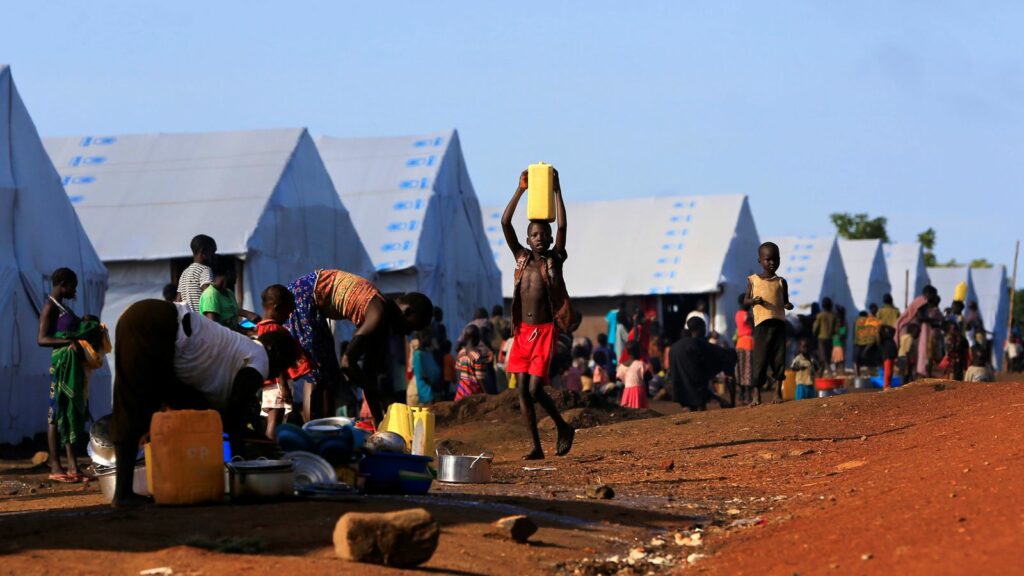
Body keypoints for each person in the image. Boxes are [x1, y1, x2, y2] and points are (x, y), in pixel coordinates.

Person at [109, 299, 297, 507]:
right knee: (134, 403)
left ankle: (129, 490)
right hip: (159, 322)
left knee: (140, 401)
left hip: (148, 317)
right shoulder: (259, 358)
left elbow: (208, 408)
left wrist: (252, 436)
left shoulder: (241, 350)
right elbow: (235, 414)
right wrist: (243, 461)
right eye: (282, 367)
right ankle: (123, 493)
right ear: (276, 354)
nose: (278, 374)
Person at [286, 269, 432, 423]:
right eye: (410, 328)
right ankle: (313, 433)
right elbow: (347, 363)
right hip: (303, 294)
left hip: (315, 303)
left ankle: (325, 431)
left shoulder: (382, 325)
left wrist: (379, 421)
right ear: (407, 311)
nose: (406, 333)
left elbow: (369, 375)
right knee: (317, 373)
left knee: (330, 375)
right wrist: (382, 396)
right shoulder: (378, 312)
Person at [501, 167, 578, 459]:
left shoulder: (554, 260)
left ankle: (562, 426)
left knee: (534, 389)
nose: (540, 238)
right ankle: (536, 446)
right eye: (535, 234)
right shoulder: (521, 258)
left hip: (544, 331)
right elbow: (505, 221)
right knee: (521, 391)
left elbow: (562, 229)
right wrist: (520, 189)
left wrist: (557, 190)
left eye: (543, 234)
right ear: (528, 237)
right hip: (521, 332)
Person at [37, 268, 108, 483]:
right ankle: (57, 466)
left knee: (69, 413)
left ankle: (74, 467)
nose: (75, 290)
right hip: (61, 367)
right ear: (62, 284)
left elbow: (74, 328)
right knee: (56, 413)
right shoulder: (49, 307)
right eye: (73, 285)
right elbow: (42, 339)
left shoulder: (63, 307)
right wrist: (69, 342)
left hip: (73, 367)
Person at [256, 285, 311, 436]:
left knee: (272, 419)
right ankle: (272, 449)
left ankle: (271, 447)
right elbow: (277, 362)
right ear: (277, 308)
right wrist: (284, 386)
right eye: (287, 312)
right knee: (275, 419)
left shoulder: (260, 327)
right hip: (277, 384)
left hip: (270, 383)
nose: (288, 317)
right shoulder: (274, 329)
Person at [744, 241, 794, 405]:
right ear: (760, 260)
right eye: (768, 259)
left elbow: (785, 301)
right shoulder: (753, 280)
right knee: (760, 360)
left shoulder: (781, 282)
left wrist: (787, 305)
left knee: (779, 359)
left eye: (776, 259)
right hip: (761, 326)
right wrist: (753, 301)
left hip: (778, 324)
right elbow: (745, 301)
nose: (772, 263)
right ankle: (756, 395)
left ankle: (777, 393)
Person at [199, 258, 260, 332]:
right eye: (236, 273)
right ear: (229, 273)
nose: (236, 277)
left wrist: (250, 330)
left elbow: (233, 325)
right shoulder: (210, 295)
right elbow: (214, 329)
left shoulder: (229, 293)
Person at [176, 234, 217, 312]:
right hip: (201, 320)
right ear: (203, 251)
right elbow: (209, 296)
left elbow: (178, 301)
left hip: (189, 320)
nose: (214, 256)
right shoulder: (205, 270)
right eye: (212, 252)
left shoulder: (185, 273)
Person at [455, 325, 488, 401]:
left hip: (461, 391)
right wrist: (486, 393)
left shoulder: (461, 353)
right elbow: (480, 378)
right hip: (474, 393)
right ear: (477, 338)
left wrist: (460, 387)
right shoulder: (477, 356)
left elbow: (458, 373)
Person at [734, 293, 755, 406]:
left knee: (740, 370)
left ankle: (741, 394)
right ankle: (748, 395)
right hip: (748, 343)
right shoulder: (748, 315)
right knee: (748, 369)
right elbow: (753, 328)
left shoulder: (737, 314)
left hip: (739, 342)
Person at [616, 340, 650, 409]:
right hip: (639, 392)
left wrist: (626, 381)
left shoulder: (621, 366)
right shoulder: (641, 364)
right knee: (639, 410)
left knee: (628, 411)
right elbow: (649, 376)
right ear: (637, 351)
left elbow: (618, 378)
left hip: (627, 391)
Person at [411, 331, 441, 405]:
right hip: (426, 394)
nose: (428, 340)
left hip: (433, 392)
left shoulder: (428, 353)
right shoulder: (418, 355)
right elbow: (422, 374)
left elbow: (435, 370)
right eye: (425, 338)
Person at [853, 309, 882, 376]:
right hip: (868, 343)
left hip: (858, 342)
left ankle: (857, 375)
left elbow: (854, 333)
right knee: (871, 360)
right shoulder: (870, 320)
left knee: (856, 360)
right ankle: (873, 375)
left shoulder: (857, 320)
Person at [812, 298, 837, 375]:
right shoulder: (833, 316)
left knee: (824, 358)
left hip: (821, 339)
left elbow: (815, 328)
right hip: (830, 339)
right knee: (826, 358)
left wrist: (815, 335)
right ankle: (820, 375)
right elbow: (836, 329)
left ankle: (830, 373)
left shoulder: (820, 315)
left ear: (822, 305)